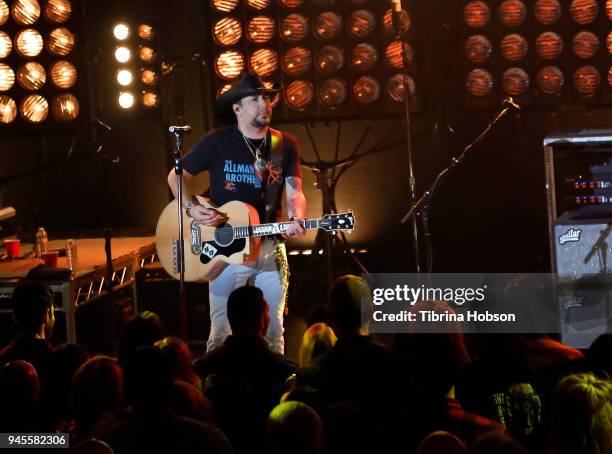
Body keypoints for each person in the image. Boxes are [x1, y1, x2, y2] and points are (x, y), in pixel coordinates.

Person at [167, 72, 307, 354]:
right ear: (237, 108)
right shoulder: (216, 141)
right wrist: (192, 209)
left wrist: (298, 216)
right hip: (225, 250)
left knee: (274, 332)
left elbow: (295, 191)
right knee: (220, 332)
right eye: (255, 99)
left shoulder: (284, 144)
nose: (263, 104)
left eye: (267, 98)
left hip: (269, 247)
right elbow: (175, 176)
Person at [0, 282, 55, 372]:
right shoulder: (56, 359)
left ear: (14, 317)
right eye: (53, 313)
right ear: (46, 315)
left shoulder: (4, 358)